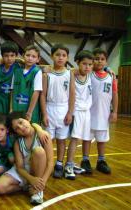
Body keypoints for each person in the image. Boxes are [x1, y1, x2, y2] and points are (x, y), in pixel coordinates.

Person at [0, 111, 53, 205]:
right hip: (25, 172)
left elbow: (50, 164)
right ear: (16, 132)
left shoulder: (43, 136)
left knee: (39, 151)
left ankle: (38, 190)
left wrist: (42, 183)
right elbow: (19, 167)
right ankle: (27, 186)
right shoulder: (18, 143)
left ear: (27, 119)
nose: (21, 127)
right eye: (17, 128)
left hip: (38, 170)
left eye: (21, 122)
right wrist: (31, 179)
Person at [81, 48, 118, 174]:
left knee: (102, 139)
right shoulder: (88, 74)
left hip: (104, 113)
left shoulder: (111, 76)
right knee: (87, 137)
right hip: (89, 112)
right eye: (96, 59)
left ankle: (101, 161)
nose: (99, 61)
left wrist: (115, 111)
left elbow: (114, 94)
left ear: (106, 62)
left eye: (102, 59)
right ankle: (85, 160)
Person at [40, 43, 75, 179]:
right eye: (57, 55)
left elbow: (72, 94)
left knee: (61, 140)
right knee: (48, 140)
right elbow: (42, 94)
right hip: (50, 108)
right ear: (51, 56)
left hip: (64, 109)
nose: (60, 58)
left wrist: (70, 113)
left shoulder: (69, 73)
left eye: (64, 55)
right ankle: (47, 163)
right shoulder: (46, 73)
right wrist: (44, 113)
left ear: (67, 58)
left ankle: (59, 164)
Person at [64, 50, 93, 180]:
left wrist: (108, 69)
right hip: (76, 112)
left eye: (89, 64)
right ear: (77, 63)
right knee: (74, 139)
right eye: (84, 64)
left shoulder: (89, 75)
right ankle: (68, 165)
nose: (87, 67)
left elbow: (101, 68)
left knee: (79, 139)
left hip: (86, 112)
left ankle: (72, 162)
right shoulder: (71, 75)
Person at [11, 45, 42, 123]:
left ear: (38, 59)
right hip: (16, 108)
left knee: (29, 131)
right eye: (27, 55)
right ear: (23, 56)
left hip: (30, 110)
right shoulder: (16, 71)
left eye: (33, 56)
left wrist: (30, 112)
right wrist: (11, 108)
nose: (30, 58)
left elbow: (36, 92)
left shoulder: (37, 71)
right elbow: (12, 91)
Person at [0, 41, 20, 114]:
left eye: (12, 55)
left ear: (16, 55)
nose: (9, 58)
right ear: (2, 56)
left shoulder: (18, 67)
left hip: (11, 100)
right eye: (6, 56)